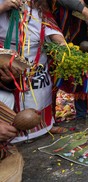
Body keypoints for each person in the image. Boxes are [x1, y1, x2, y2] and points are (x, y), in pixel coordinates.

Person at [0, 0, 68, 142]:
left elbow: (52, 28)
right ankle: (14, 134)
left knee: (40, 96)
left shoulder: (39, 8)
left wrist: (64, 48)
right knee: (13, 99)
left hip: (37, 63)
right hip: (8, 63)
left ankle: (45, 127)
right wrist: (3, 7)